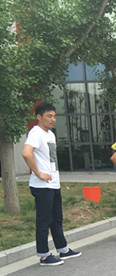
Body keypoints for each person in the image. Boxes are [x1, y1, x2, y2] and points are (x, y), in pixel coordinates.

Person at [21, 102, 81, 265]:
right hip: (42, 186)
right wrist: (38, 172)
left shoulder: (50, 134)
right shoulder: (36, 133)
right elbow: (26, 153)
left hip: (53, 184)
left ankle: (63, 249)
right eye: (49, 116)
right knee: (44, 220)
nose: (53, 119)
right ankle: (43, 255)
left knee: (57, 219)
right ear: (39, 117)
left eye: (54, 116)